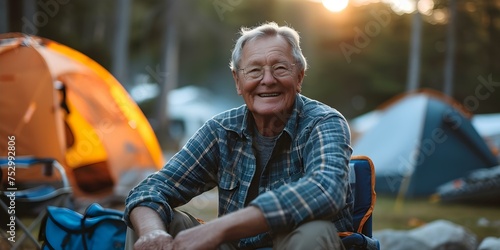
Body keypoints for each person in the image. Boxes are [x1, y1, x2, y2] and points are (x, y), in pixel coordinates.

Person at [124, 21, 353, 250]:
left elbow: (325, 189)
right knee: (150, 220)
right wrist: (152, 233)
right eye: (254, 70)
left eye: (280, 68)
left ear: (299, 77)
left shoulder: (323, 123)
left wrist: (219, 227)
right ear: (237, 81)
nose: (267, 79)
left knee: (314, 232)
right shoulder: (220, 130)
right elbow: (150, 190)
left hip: (292, 244)